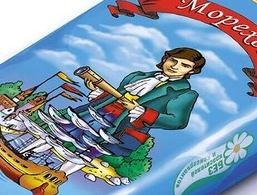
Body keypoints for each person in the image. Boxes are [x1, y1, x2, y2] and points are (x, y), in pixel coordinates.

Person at [78, 47, 206, 157]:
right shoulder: (137, 76)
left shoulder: (185, 94)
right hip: (98, 114)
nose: (174, 66)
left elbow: (177, 122)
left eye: (185, 65)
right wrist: (99, 92)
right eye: (173, 60)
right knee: (72, 136)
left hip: (124, 130)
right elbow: (116, 96)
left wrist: (142, 112)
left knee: (89, 156)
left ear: (192, 71)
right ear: (165, 59)